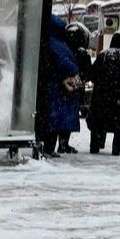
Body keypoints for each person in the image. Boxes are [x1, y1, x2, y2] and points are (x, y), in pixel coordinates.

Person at [87, 31, 120, 156]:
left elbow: (93, 74)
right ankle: (116, 147)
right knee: (119, 123)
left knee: (98, 121)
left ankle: (95, 144)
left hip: (102, 96)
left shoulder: (103, 55)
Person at [37, 16, 82, 158]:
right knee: (54, 120)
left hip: (52, 86)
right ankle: (49, 148)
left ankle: (47, 147)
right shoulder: (57, 44)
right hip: (57, 88)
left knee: (51, 119)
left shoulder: (48, 41)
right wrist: (74, 70)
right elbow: (64, 62)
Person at [60, 22, 94, 154]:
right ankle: (64, 143)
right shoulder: (82, 54)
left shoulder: (62, 49)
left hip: (62, 86)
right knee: (69, 115)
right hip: (75, 88)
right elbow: (87, 72)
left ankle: (60, 143)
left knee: (60, 114)